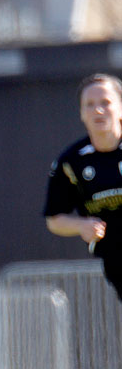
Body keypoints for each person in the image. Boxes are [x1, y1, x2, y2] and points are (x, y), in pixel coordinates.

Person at [44, 73, 122, 299]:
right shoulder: (71, 162)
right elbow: (54, 219)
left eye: (106, 103)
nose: (98, 110)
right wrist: (81, 225)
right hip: (116, 258)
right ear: (81, 113)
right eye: (90, 105)